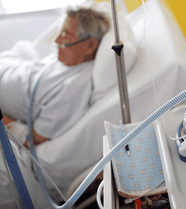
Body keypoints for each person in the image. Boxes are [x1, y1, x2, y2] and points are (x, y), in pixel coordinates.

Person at [0, 4, 110, 147]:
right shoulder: (68, 60)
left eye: (65, 35)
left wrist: (5, 122)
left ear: (89, 46)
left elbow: (35, 138)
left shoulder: (74, 87)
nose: (57, 40)